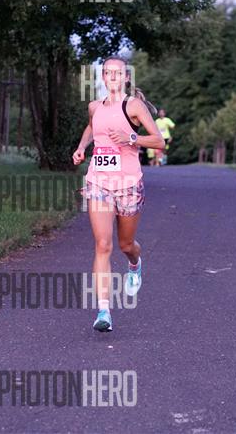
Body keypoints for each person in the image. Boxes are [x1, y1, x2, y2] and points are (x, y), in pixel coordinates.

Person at [72, 56, 165, 332]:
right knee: (103, 244)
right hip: (98, 181)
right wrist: (82, 147)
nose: (112, 76)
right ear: (103, 77)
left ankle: (135, 264)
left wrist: (131, 138)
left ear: (126, 77)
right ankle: (104, 311)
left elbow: (159, 141)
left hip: (128, 184)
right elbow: (92, 127)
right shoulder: (94, 106)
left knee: (125, 245)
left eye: (117, 73)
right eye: (107, 72)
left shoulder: (133, 105)